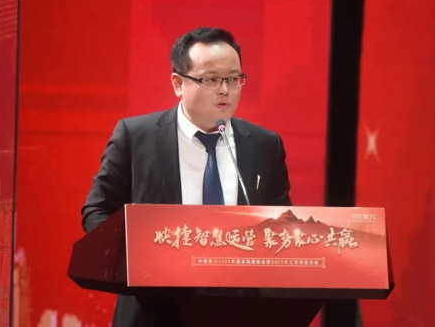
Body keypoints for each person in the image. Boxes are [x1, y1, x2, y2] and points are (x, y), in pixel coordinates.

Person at [81, 26, 291, 327]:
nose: (225, 90)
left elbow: (282, 222)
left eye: (234, 78)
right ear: (178, 83)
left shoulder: (264, 145)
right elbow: (98, 209)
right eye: (211, 79)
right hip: (151, 312)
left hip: (239, 314)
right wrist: (132, 260)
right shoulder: (135, 136)